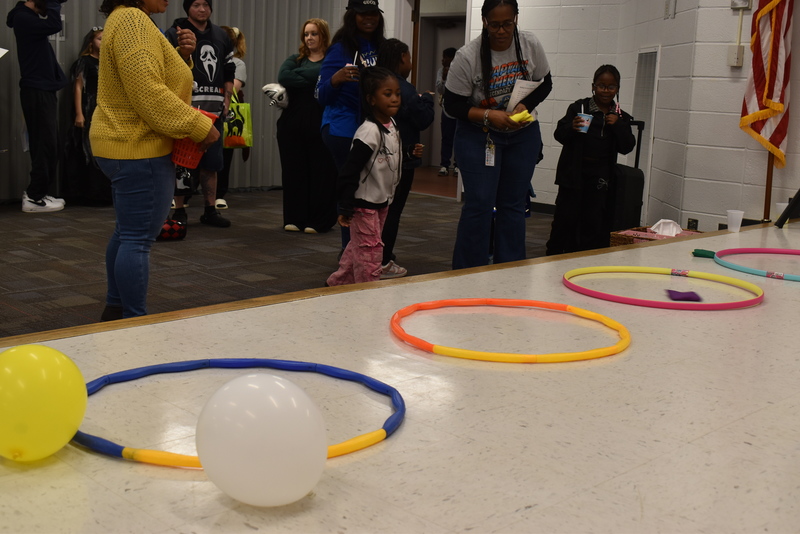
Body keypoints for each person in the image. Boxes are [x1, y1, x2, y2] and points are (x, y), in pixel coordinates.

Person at [90, 0, 219, 320]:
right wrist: (200, 127)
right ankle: (135, 321)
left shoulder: (127, 19)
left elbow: (144, 80)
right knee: (136, 238)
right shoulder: (133, 22)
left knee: (126, 232)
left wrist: (181, 58)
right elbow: (148, 93)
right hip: (138, 146)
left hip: (124, 143)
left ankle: (116, 308)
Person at [443, 0, 552, 269]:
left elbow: (545, 83)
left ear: (516, 18)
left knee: (513, 204)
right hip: (479, 134)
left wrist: (525, 105)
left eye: (507, 23)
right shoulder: (467, 56)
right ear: (484, 22)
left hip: (522, 134)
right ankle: (468, 271)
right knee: (479, 204)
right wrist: (490, 115)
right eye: (495, 25)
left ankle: (509, 270)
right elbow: (453, 104)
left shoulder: (529, 44)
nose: (501, 31)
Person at [326, 67, 423, 287]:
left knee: (360, 245)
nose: (395, 99)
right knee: (370, 253)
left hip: (381, 201)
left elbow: (386, 158)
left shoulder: (392, 125)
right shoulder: (369, 132)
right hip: (364, 204)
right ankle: (368, 294)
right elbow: (350, 170)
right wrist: (346, 206)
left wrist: (407, 153)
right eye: (387, 94)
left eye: (397, 94)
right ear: (371, 99)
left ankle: (338, 282)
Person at [546, 65, 636, 255]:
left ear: (617, 89)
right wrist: (572, 127)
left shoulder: (620, 116)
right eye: (601, 85)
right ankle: (553, 256)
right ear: (593, 86)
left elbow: (627, 147)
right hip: (573, 173)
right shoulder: (578, 108)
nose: (605, 90)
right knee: (565, 217)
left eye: (611, 87)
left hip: (601, 177)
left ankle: (584, 258)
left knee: (593, 220)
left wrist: (618, 126)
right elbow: (559, 135)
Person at [316, 0, 385, 249]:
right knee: (353, 191)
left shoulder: (381, 46)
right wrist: (336, 79)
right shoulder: (340, 49)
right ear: (352, 17)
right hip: (342, 129)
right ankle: (350, 252)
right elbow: (320, 95)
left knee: (370, 190)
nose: (369, 18)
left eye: (373, 13)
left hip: (372, 128)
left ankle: (367, 249)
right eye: (363, 14)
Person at [166, 0, 235, 228]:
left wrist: (227, 98)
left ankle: (210, 210)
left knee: (212, 164)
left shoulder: (221, 36)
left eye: (206, 4)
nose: (202, 9)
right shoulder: (175, 32)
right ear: (188, 8)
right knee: (182, 163)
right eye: (196, 4)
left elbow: (229, 68)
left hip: (214, 112)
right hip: (186, 111)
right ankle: (179, 210)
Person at [376, 38, 434, 278]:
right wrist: (427, 99)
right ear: (402, 58)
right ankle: (383, 261)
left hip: (377, 157)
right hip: (400, 159)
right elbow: (423, 119)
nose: (410, 62)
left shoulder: (374, 83)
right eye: (409, 57)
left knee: (375, 211)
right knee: (392, 211)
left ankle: (370, 255)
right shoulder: (404, 89)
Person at [6, 0, 69, 213]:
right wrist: (52, 3)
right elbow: (53, 25)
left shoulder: (27, 18)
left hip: (41, 89)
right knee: (45, 144)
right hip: (37, 91)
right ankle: (34, 197)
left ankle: (38, 193)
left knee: (48, 144)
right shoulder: (23, 17)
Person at [277, 18, 338, 234]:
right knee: (294, 171)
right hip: (291, 124)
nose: (309, 38)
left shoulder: (332, 59)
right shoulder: (296, 59)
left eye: (314, 33)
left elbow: (326, 76)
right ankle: (295, 217)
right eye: (306, 34)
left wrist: (306, 78)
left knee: (321, 172)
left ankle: (318, 220)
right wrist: (316, 80)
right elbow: (283, 76)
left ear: (323, 36)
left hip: (321, 123)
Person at [65, 26, 112, 206]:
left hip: (104, 109)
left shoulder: (108, 62)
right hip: (88, 108)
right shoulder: (84, 62)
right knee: (87, 150)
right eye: (100, 38)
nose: (103, 41)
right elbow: (78, 87)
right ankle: (87, 193)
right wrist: (79, 113)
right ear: (91, 42)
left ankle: (104, 192)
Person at [216, 25, 249, 211]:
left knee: (224, 154)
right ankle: (186, 193)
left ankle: (219, 195)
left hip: (226, 113)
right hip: (204, 109)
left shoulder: (237, 64)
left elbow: (234, 88)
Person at [435, 47, 457, 177]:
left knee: (458, 138)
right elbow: (440, 90)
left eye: (445, 57)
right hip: (446, 110)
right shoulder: (440, 71)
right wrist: (443, 78)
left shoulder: (460, 71)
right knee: (446, 138)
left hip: (458, 111)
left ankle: (457, 165)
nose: (443, 60)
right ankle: (444, 165)